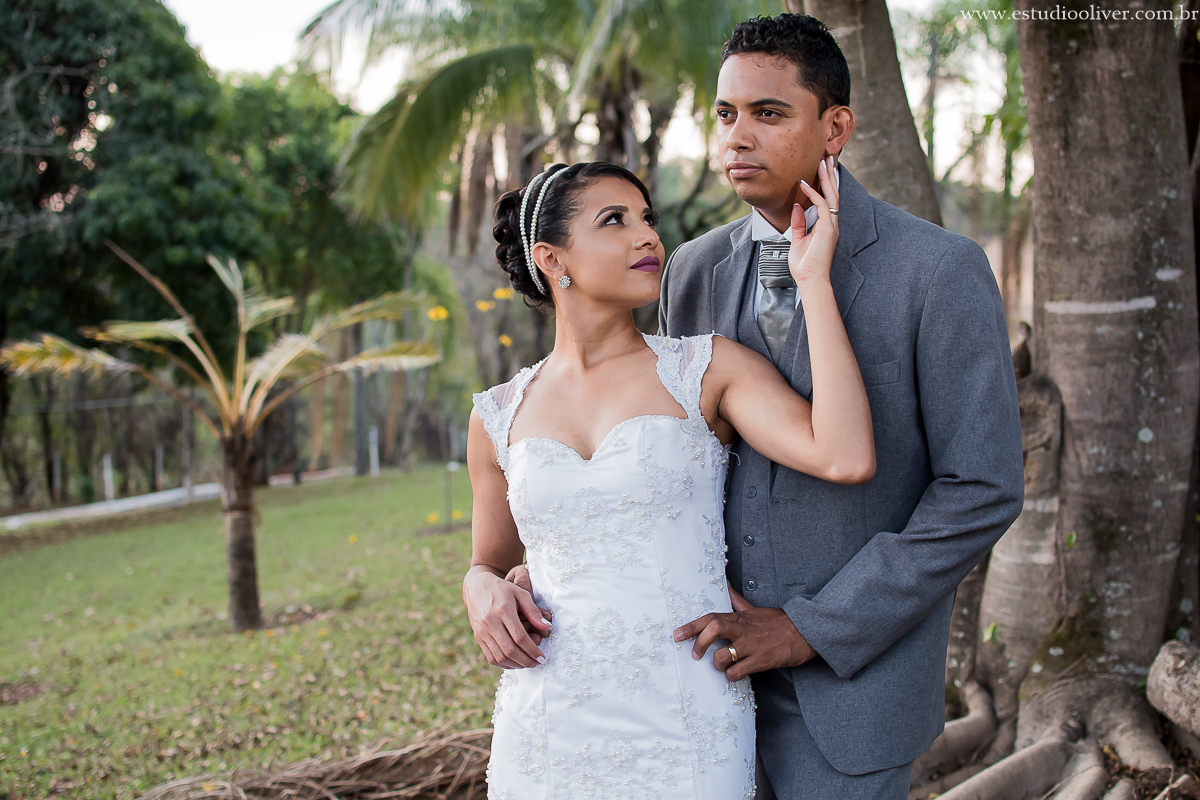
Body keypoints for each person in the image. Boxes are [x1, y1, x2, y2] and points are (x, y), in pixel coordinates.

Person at [656, 14, 1025, 800]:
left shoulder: (939, 271)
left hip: (857, 693)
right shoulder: (689, 271)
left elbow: (982, 489)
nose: (737, 137)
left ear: (836, 127)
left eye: (768, 113)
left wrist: (810, 628)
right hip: (703, 675)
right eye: (726, 114)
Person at [463, 157, 871, 798]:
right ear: (552, 258)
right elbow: (489, 561)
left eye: (647, 218)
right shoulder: (497, 415)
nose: (648, 235)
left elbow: (844, 455)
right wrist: (477, 588)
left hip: (685, 717)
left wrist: (812, 280)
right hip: (547, 718)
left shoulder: (703, 372)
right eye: (614, 220)